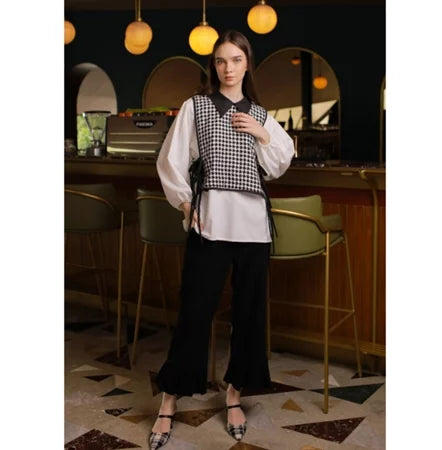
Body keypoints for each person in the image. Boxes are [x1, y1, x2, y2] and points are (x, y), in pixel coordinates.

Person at [150, 29, 294, 449]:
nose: (228, 68)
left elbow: (280, 161)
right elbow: (170, 160)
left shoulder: (260, 114)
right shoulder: (195, 107)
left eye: (236, 60)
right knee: (194, 312)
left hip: (253, 229)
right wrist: (184, 204)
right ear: (213, 66)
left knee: (249, 315)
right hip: (210, 224)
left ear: (247, 64)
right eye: (220, 61)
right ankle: (169, 398)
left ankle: (234, 394)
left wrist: (262, 133)